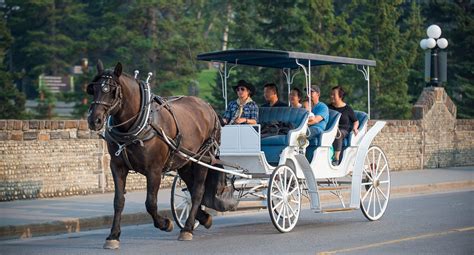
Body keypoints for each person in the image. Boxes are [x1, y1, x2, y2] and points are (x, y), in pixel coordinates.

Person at [329, 85, 359, 166]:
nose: (331, 96)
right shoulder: (329, 107)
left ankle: (336, 158)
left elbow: (356, 121)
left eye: (333, 94)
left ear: (340, 96)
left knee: (337, 134)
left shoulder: (348, 109)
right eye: (331, 94)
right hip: (331, 129)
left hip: (343, 130)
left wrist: (355, 128)